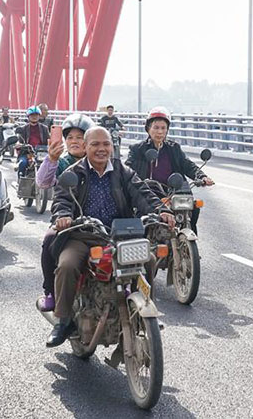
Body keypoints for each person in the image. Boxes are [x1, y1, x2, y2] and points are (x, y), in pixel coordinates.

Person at [45, 126, 175, 347]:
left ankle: (143, 309)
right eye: (95, 144)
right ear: (85, 147)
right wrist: (64, 215)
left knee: (149, 260)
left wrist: (160, 210)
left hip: (119, 235)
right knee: (67, 265)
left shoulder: (122, 172)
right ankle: (63, 320)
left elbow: (141, 193)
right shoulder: (74, 174)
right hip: (83, 234)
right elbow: (62, 200)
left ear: (112, 147)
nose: (101, 149)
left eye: (106, 144)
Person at [34, 112, 93, 312]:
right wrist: (51, 158)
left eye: (80, 137)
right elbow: (42, 182)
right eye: (70, 138)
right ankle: (50, 291)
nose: (74, 141)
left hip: (101, 221)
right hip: (68, 221)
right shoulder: (62, 162)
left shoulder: (101, 159)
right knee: (50, 240)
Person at [126, 106, 214, 233]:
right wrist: (136, 183)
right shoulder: (137, 150)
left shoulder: (174, 148)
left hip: (173, 191)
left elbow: (187, 164)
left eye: (163, 128)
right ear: (148, 128)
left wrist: (201, 176)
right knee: (142, 220)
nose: (160, 132)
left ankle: (189, 245)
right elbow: (128, 170)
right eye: (156, 127)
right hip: (149, 193)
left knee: (193, 208)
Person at [15, 106, 50, 177]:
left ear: (39, 116)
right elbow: (19, 142)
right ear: (28, 116)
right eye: (32, 115)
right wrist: (20, 145)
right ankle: (21, 181)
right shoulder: (23, 129)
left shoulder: (44, 129)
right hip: (27, 153)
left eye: (36, 115)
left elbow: (48, 141)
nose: (34, 117)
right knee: (23, 163)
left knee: (51, 165)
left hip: (41, 154)